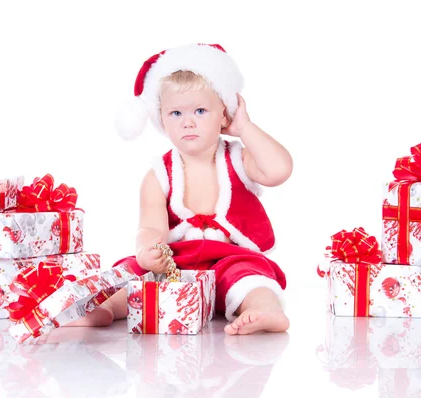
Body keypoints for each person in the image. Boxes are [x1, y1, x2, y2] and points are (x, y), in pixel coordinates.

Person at [70, 43, 292, 335]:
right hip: (177, 262)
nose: (188, 122)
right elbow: (150, 226)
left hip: (230, 257)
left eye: (200, 110)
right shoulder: (158, 175)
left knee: (250, 277)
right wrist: (148, 250)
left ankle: (264, 309)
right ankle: (107, 307)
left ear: (224, 115)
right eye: (175, 113)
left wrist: (245, 128)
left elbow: (279, 170)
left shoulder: (240, 158)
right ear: (161, 119)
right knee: (133, 271)